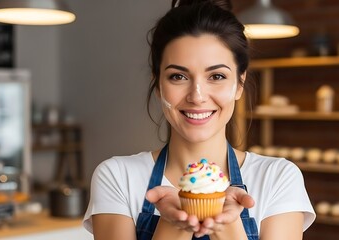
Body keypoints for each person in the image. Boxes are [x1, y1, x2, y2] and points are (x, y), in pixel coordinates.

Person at [83, 0, 316, 239]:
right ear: (158, 85)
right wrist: (173, 224)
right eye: (178, 76)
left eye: (216, 76)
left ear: (240, 84)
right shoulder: (118, 177)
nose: (197, 96)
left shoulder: (277, 178)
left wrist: (227, 226)